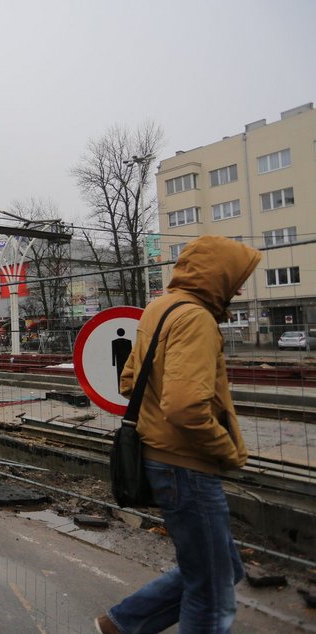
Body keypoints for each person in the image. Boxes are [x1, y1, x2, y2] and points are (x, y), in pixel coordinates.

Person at [95, 236, 261, 634]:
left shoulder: (159, 308)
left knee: (221, 567)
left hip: (161, 456)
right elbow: (186, 407)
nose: (239, 289)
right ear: (217, 276)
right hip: (186, 466)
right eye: (236, 279)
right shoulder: (197, 319)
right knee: (212, 590)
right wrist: (228, 450)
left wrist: (156, 411)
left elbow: (129, 380)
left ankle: (121, 623)